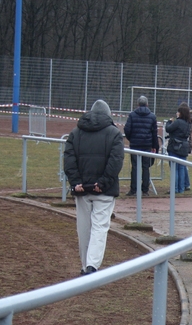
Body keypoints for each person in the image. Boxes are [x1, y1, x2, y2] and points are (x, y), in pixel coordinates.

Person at [64, 99, 125, 275]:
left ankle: (86, 265)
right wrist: (103, 182)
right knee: (99, 227)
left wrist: (76, 182)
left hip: (82, 189)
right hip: (103, 191)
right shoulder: (114, 134)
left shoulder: (75, 133)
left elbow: (69, 159)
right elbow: (116, 161)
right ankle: (92, 266)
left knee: (83, 227)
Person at [123, 95, 159, 197]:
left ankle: (133, 189)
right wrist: (154, 146)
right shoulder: (152, 116)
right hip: (147, 145)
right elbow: (154, 133)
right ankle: (145, 190)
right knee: (145, 167)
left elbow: (127, 130)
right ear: (147, 104)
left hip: (135, 145)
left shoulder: (132, 115)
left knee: (135, 167)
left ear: (138, 104)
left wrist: (131, 139)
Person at [165, 103, 192, 194]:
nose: (177, 113)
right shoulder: (188, 123)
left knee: (174, 168)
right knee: (181, 168)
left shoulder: (178, 122)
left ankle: (175, 188)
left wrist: (169, 122)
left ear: (181, 113)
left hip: (175, 146)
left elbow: (168, 129)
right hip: (184, 146)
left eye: (178, 112)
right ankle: (181, 188)